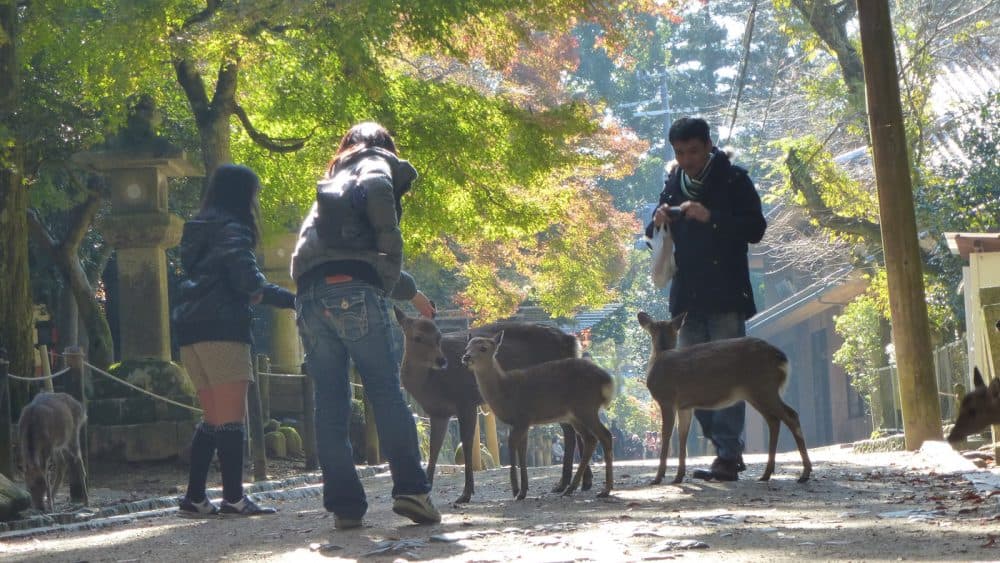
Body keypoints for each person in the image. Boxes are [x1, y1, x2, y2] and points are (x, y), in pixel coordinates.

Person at [292, 122, 440, 530]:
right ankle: (411, 490)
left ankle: (345, 506)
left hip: (309, 295)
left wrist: (409, 292)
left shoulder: (332, 184)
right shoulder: (375, 163)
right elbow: (369, 256)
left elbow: (337, 254)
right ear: (384, 144)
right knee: (385, 391)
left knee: (330, 401)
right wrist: (389, 270)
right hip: (355, 294)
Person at [645, 116, 766, 481]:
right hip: (686, 299)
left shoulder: (734, 179)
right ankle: (719, 442)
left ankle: (728, 454)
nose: (687, 160)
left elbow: (755, 228)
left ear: (709, 146)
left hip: (726, 293)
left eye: (693, 151)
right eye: (680, 153)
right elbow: (652, 237)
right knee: (690, 378)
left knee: (728, 373)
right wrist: (658, 219)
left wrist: (711, 217)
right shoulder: (672, 183)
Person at [173, 164, 295, 517]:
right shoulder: (233, 228)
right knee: (230, 419)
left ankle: (195, 497)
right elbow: (248, 282)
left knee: (212, 418)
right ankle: (234, 498)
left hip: (190, 328)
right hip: (223, 327)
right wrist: (292, 299)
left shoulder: (196, 228)